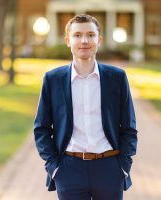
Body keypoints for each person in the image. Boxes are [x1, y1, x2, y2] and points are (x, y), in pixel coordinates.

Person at [34, 14, 138, 200]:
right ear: (68, 40)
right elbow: (41, 128)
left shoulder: (117, 78)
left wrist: (123, 166)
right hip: (69, 169)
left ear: (99, 40)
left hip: (109, 168)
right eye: (77, 35)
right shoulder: (52, 79)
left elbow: (129, 128)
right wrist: (54, 167)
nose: (84, 40)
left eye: (90, 35)